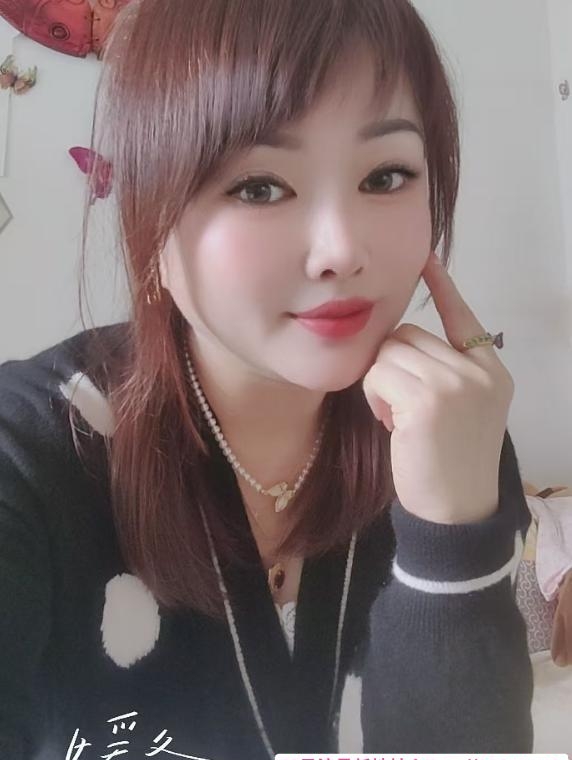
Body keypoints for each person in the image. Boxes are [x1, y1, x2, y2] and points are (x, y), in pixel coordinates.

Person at [0, 0, 534, 758]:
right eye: (258, 187)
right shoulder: (28, 453)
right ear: (153, 216)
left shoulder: (453, 432)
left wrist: (453, 540)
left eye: (386, 175)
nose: (341, 250)